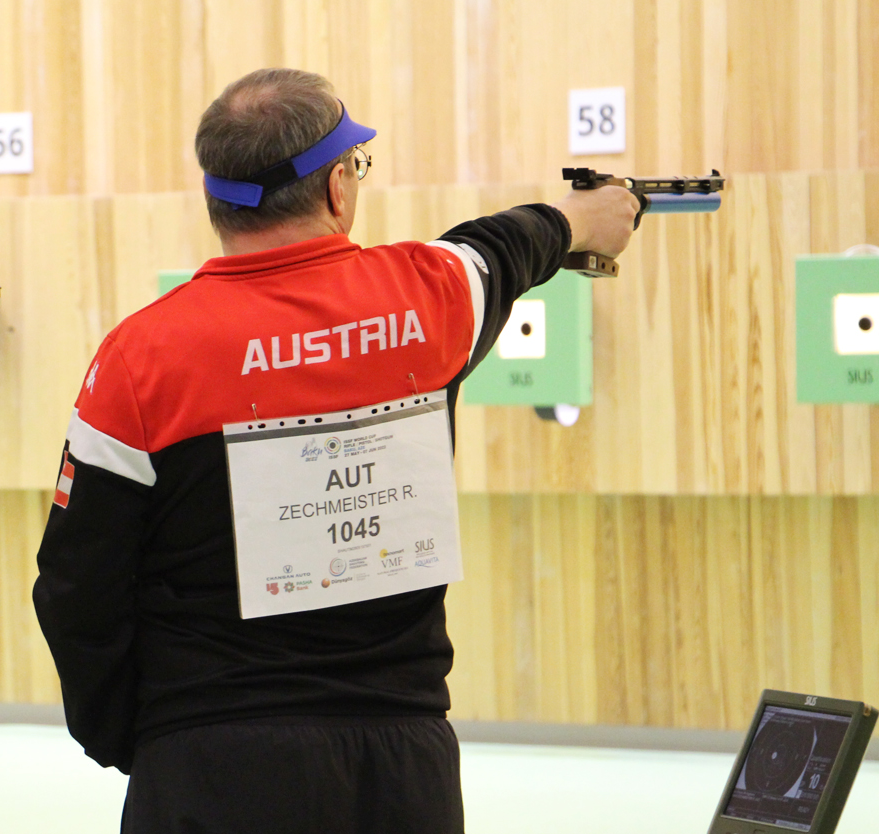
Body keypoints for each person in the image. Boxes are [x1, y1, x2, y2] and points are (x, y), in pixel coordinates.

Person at [32, 68, 639, 832]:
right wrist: (585, 214)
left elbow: (75, 584)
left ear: (217, 198)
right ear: (337, 188)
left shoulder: (140, 357)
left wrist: (137, 738)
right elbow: (510, 244)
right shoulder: (430, 293)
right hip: (401, 766)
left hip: (211, 759)